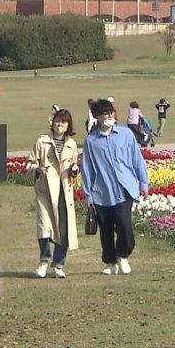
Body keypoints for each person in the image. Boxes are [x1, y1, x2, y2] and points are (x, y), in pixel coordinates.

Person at [80, 99, 149, 275]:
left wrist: (143, 182)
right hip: (102, 192)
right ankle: (110, 263)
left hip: (124, 190)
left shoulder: (126, 134)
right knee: (106, 230)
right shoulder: (91, 140)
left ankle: (123, 255)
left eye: (111, 112)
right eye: (106, 114)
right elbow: (87, 167)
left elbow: (137, 159)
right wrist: (88, 194)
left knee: (125, 226)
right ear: (97, 117)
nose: (110, 116)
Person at [28, 109, 81, 279]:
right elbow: (29, 164)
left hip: (63, 191)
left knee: (63, 229)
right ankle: (44, 260)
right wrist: (37, 169)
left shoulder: (72, 145)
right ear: (52, 122)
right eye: (57, 121)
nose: (60, 125)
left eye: (64, 123)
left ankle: (59, 264)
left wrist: (74, 170)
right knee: (44, 227)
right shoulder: (41, 142)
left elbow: (74, 169)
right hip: (45, 190)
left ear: (68, 126)